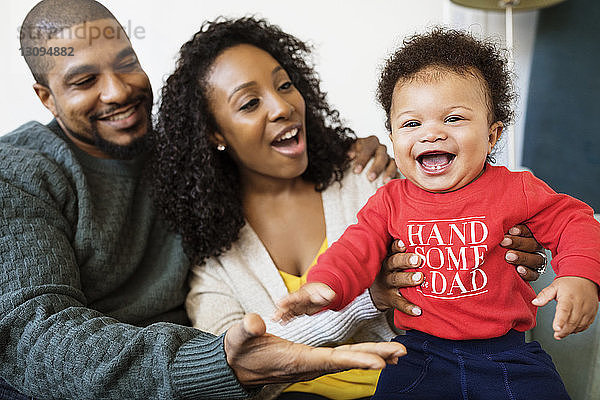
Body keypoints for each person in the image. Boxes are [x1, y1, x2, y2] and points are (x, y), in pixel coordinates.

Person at [0, 1, 409, 399]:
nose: (117, 91)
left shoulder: (183, 163)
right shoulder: (18, 171)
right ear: (46, 97)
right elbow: (33, 338)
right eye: (84, 81)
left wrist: (377, 150)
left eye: (126, 63)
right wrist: (217, 364)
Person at [151, 18, 548, 400]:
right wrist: (368, 298)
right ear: (215, 133)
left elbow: (466, 240)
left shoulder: (368, 176)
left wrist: (514, 240)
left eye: (285, 85)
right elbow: (231, 371)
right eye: (250, 103)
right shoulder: (215, 258)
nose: (282, 107)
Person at [276, 28, 600, 399]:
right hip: (419, 356)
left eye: (454, 119)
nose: (431, 134)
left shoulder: (516, 188)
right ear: (393, 137)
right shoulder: (389, 200)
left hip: (506, 356)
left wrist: (580, 276)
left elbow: (575, 220)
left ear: (493, 135)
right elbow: (355, 248)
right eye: (412, 124)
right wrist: (324, 285)